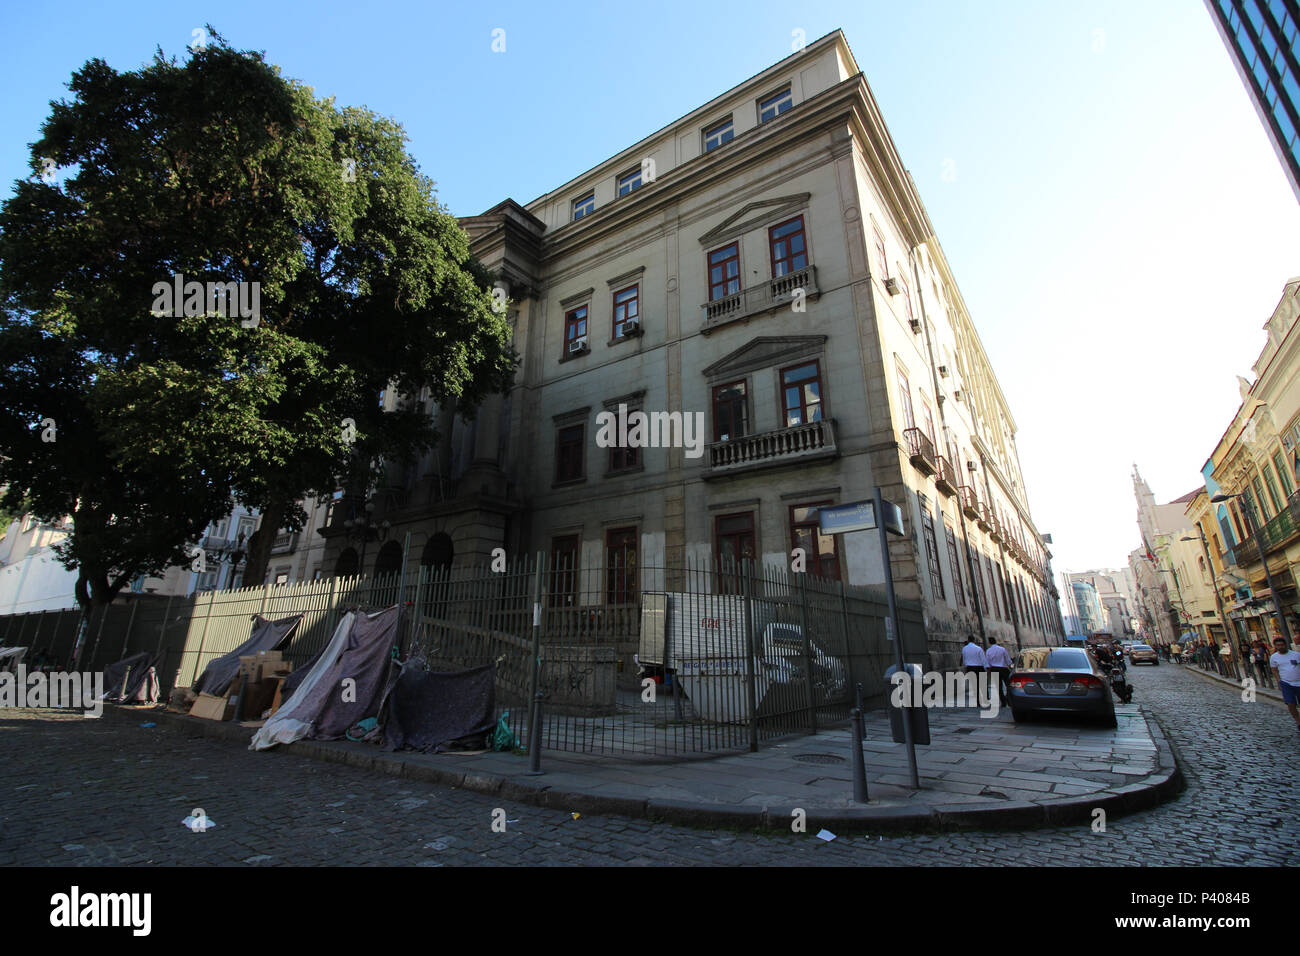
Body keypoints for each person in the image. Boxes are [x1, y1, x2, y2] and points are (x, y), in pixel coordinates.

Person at [1269, 636, 1300, 733]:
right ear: (1275, 646)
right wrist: (1279, 681)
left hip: (1298, 682)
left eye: (1282, 645)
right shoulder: (1274, 657)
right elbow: (1274, 670)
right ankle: (1299, 722)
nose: (1280, 647)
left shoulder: (1296, 655)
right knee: (1291, 704)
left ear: (1286, 645)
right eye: (1278, 645)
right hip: (1286, 683)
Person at [960, 635, 987, 707]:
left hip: (970, 668)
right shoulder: (978, 648)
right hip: (979, 667)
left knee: (974, 685)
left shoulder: (964, 649)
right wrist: (986, 668)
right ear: (974, 640)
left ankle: (978, 701)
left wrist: (965, 668)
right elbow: (983, 659)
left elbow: (964, 659)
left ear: (968, 640)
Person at [985, 636, 1012, 701]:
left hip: (994, 669)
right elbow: (1008, 659)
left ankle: (1003, 701)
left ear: (989, 642)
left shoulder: (988, 651)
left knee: (999, 687)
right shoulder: (1002, 649)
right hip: (1004, 669)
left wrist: (988, 670)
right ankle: (1009, 698)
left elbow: (987, 662)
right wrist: (1010, 666)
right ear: (995, 641)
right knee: (1008, 685)